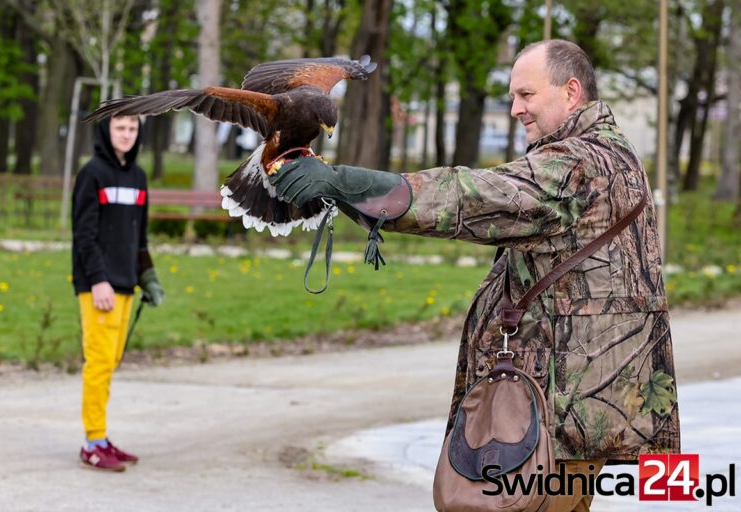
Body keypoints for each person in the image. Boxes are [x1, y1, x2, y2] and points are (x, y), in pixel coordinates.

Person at [269, 40, 680, 511]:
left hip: (562, 406)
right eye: (513, 96)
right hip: (586, 405)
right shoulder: (611, 152)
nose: (515, 109)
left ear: (571, 92)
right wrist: (352, 197)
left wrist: (351, 184)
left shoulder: (578, 164)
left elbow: (477, 196)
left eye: (526, 95)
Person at [71, 114, 165, 472]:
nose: (126, 134)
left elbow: (139, 236)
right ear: (106, 131)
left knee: (110, 362)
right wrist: (97, 280)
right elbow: (84, 235)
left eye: (132, 128)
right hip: (99, 286)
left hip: (126, 282)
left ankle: (102, 438)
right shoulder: (92, 174)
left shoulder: (138, 177)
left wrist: (148, 277)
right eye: (119, 128)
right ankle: (93, 444)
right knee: (98, 363)